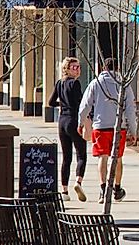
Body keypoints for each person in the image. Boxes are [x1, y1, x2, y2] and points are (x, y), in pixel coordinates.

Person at [83, 58, 128, 200]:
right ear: (118, 67)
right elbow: (131, 108)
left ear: (103, 67)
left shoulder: (95, 83)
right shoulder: (123, 84)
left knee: (103, 157)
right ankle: (117, 188)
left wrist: (81, 123)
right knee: (118, 158)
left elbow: (85, 105)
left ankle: (103, 188)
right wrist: (132, 128)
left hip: (100, 125)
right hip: (118, 126)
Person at [49, 56, 87, 199]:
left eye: (78, 67)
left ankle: (64, 191)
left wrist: (62, 105)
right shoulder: (75, 84)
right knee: (81, 154)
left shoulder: (59, 83)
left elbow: (51, 102)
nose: (77, 70)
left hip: (62, 121)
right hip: (73, 120)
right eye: (74, 67)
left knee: (66, 157)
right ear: (67, 69)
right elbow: (81, 103)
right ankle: (78, 181)